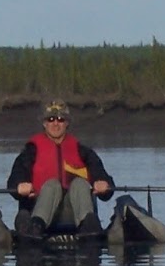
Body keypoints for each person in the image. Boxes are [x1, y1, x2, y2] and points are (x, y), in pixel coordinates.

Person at [7, 101, 114, 238]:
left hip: (72, 213)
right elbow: (15, 179)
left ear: (67, 123)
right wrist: (19, 185)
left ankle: (89, 227)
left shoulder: (82, 151)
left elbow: (104, 180)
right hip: (40, 208)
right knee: (53, 185)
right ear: (44, 123)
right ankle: (35, 228)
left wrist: (104, 184)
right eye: (50, 119)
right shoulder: (30, 152)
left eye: (60, 119)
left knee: (80, 184)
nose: (55, 124)